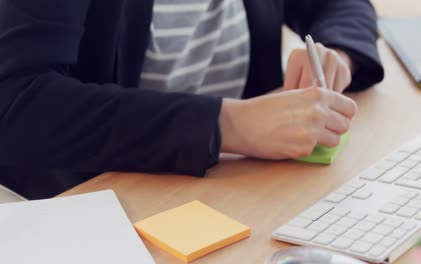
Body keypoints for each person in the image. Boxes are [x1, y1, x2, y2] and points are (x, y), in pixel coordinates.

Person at [0, 0, 384, 199]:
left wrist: (337, 53)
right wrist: (230, 124)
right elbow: (16, 104)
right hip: (102, 203)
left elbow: (340, 6)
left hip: (236, 185)